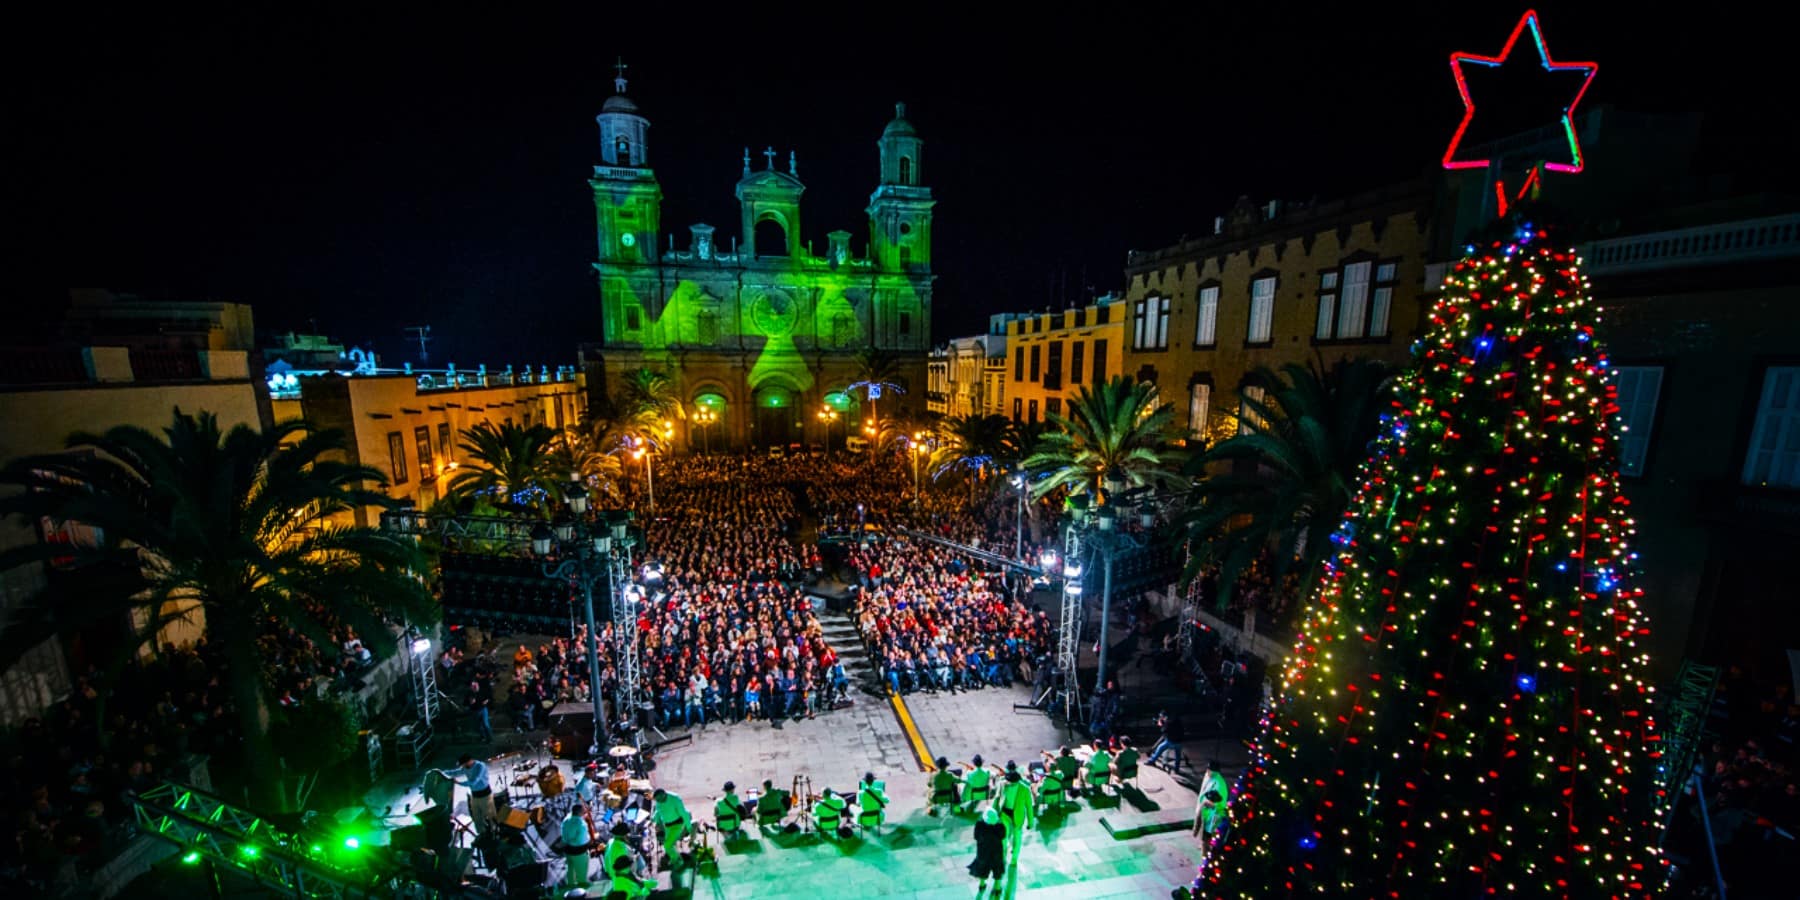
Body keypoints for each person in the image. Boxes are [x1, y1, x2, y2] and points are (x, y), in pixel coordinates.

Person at [440, 754, 494, 836]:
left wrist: (458, 783)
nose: (463, 766)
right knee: (476, 818)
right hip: (474, 796)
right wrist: (441, 773)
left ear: (469, 761)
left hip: (485, 795)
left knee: (490, 816)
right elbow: (456, 772)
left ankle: (494, 833)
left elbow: (474, 782)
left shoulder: (480, 766)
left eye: (463, 764)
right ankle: (481, 835)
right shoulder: (465, 767)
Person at [603, 820, 652, 899]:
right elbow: (626, 869)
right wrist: (639, 882)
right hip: (623, 877)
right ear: (623, 835)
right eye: (626, 834)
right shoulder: (621, 849)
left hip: (615, 877)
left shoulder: (610, 841)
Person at [997, 764, 1036, 858]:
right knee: (1004, 836)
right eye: (1009, 781)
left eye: (1012, 782)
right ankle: (1003, 854)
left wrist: (1030, 822)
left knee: (1017, 836)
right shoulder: (1002, 784)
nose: (1010, 783)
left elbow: (1029, 807)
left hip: (1017, 816)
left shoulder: (1025, 789)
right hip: (1004, 813)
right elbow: (997, 798)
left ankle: (1014, 858)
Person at [651, 788, 692, 871]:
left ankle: (679, 861)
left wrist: (689, 828)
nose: (658, 802)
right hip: (667, 826)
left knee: (667, 845)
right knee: (670, 845)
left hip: (677, 825)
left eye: (659, 799)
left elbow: (684, 813)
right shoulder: (659, 802)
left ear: (664, 795)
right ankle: (676, 859)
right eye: (657, 800)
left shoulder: (675, 798)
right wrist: (653, 819)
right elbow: (658, 812)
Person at [968, 807, 1007, 894]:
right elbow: (1003, 835)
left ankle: (982, 885)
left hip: (983, 853)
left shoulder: (980, 825)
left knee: (983, 868)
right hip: (996, 853)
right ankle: (997, 888)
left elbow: (976, 836)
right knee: (997, 869)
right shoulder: (999, 826)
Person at [560, 802, 593, 888]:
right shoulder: (581, 824)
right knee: (581, 868)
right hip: (578, 851)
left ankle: (570, 884)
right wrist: (589, 839)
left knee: (570, 868)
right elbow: (580, 840)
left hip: (568, 849)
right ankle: (582, 884)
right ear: (580, 812)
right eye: (583, 810)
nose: (584, 811)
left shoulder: (566, 819)